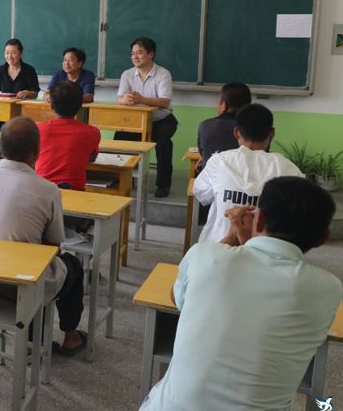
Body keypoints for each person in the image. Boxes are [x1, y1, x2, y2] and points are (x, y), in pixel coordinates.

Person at [140, 176, 341, 411]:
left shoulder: (205, 256)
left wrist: (234, 238)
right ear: (323, 239)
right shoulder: (328, 288)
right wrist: (247, 246)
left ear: (260, 218)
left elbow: (178, 299)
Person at [0, 116, 86, 356]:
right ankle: (69, 337)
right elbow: (52, 248)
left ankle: (32, 338)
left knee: (31, 261)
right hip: (20, 284)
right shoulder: (47, 190)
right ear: (37, 151)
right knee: (70, 266)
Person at [194, 103, 303, 243]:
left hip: (219, 247)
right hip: (265, 251)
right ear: (272, 134)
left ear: (236, 133)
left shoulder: (219, 161)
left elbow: (201, 194)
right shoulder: (289, 169)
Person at [116, 37, 178, 198]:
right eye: (132, 53)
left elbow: (165, 102)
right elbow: (119, 98)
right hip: (136, 121)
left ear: (151, 54)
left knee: (163, 143)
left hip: (161, 120)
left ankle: (163, 185)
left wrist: (141, 99)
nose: (135, 57)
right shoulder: (127, 74)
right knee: (120, 138)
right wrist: (125, 100)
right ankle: (123, 180)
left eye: (139, 53)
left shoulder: (163, 74)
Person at [36, 80, 101, 191]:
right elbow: (91, 158)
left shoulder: (38, 130)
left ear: (52, 106)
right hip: (75, 191)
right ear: (80, 106)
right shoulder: (93, 132)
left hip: (42, 190)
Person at [196, 82, 252, 173]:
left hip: (212, 178)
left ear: (224, 105)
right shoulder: (254, 127)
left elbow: (203, 153)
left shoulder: (206, 126)